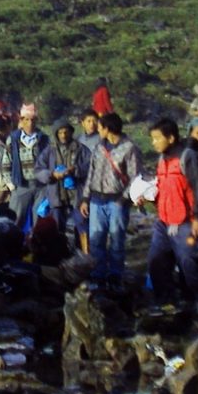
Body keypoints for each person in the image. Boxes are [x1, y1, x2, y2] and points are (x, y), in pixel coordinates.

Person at [144, 119, 198, 307]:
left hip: (186, 223)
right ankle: (166, 302)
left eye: (157, 138)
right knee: (155, 261)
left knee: (189, 265)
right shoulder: (162, 159)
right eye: (153, 139)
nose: (154, 142)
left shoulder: (188, 157)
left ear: (171, 138)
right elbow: (164, 189)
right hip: (164, 221)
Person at [82, 112, 140, 289]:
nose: (97, 129)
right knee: (96, 240)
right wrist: (85, 197)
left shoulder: (129, 148)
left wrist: (123, 199)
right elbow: (91, 173)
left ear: (108, 129)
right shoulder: (99, 147)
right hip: (96, 200)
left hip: (117, 202)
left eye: (100, 127)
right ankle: (98, 275)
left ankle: (115, 276)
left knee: (116, 241)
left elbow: (135, 176)